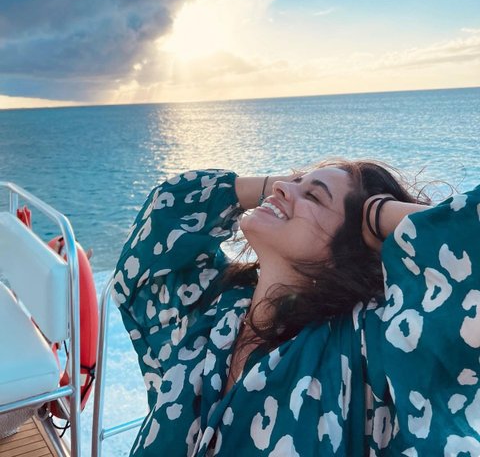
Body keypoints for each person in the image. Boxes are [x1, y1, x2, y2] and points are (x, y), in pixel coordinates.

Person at [113, 160, 480, 456]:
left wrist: (374, 215)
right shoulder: (213, 312)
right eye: (292, 181)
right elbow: (166, 212)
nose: (282, 188)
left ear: (350, 249)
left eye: (314, 196)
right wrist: (282, 186)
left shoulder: (370, 344)